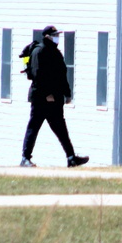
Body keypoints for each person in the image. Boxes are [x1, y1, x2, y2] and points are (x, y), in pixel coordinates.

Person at [20, 25, 89, 168]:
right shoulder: (40, 51)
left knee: (61, 129)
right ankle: (25, 158)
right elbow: (38, 75)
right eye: (55, 34)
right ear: (47, 36)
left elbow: (61, 75)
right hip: (41, 98)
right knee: (34, 127)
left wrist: (67, 93)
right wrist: (48, 95)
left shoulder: (55, 52)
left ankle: (71, 158)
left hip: (55, 99)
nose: (57, 37)